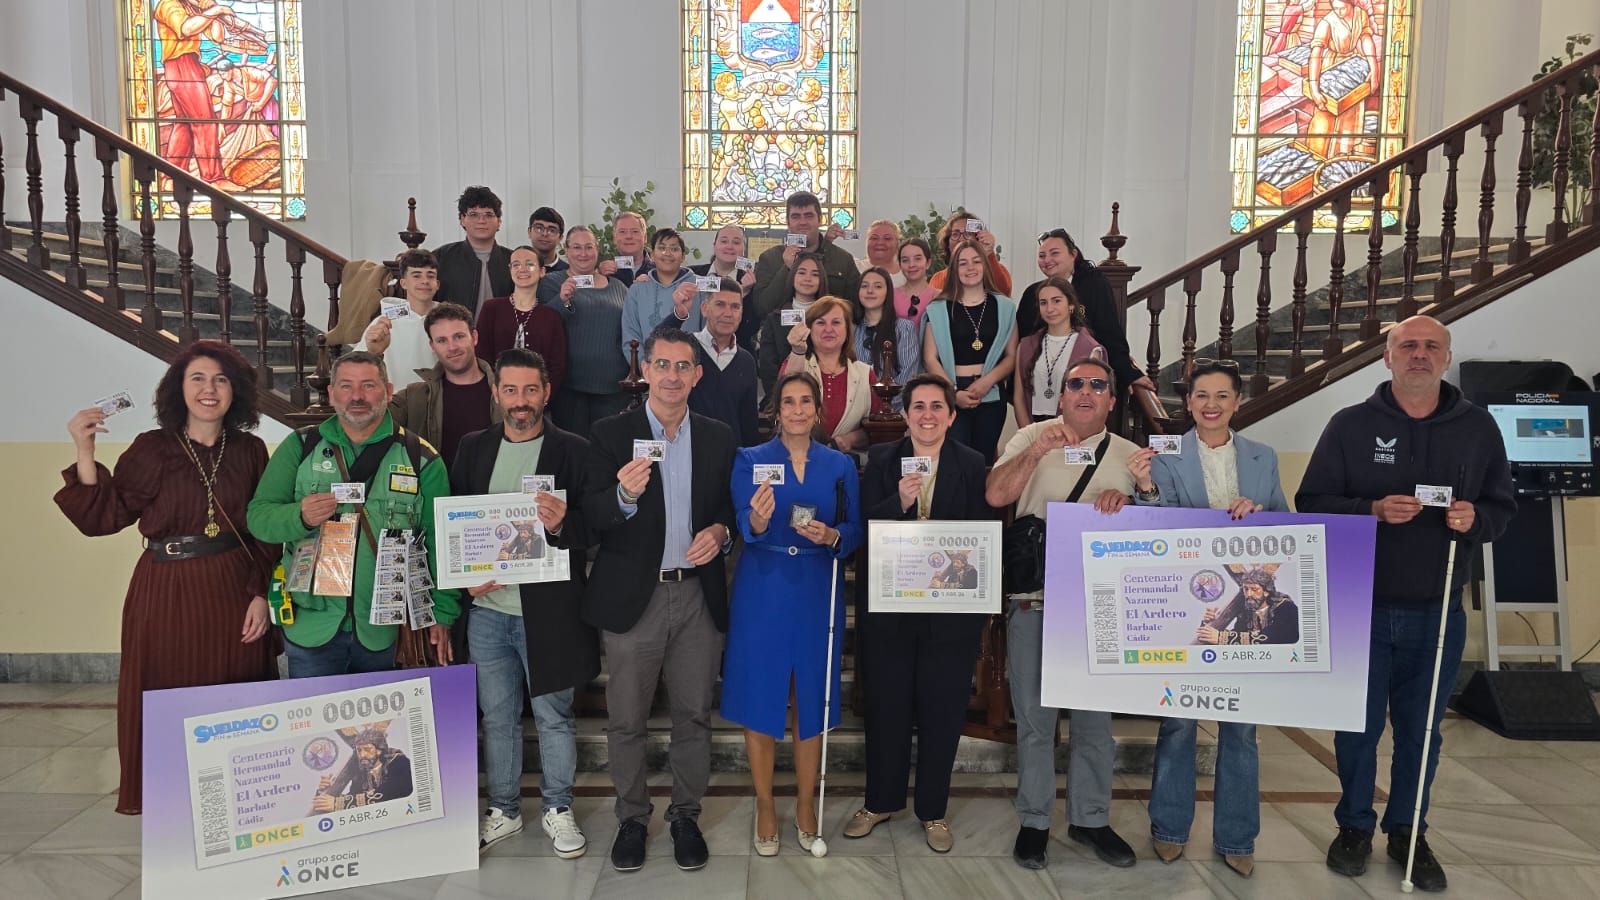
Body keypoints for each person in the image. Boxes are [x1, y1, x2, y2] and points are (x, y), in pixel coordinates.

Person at [1296, 315, 1515, 893]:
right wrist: (1369, 510)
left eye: (1430, 347)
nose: (1419, 355)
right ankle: (1354, 827)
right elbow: (1312, 500)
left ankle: (1409, 832)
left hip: (1437, 608)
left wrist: (1476, 520)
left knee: (1422, 732)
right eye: (1407, 346)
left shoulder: (1479, 429)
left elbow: (1502, 507)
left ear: (1446, 358)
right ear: (1387, 358)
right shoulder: (1350, 425)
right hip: (1361, 607)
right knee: (1357, 728)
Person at [56, 341, 279, 815]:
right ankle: (169, 802)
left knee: (233, 693)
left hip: (233, 588)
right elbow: (103, 517)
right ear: (179, 389)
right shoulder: (152, 448)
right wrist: (84, 448)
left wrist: (262, 593)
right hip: (163, 589)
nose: (209, 389)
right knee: (164, 691)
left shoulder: (251, 450)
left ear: (234, 390)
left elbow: (265, 530)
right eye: (197, 378)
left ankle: (242, 802)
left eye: (220, 379)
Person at [1125, 358, 1290, 880]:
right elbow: (1157, 518)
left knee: (1241, 728)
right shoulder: (1169, 456)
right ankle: (1168, 829)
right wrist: (1146, 488)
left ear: (1237, 403)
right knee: (1178, 723)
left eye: (1222, 396)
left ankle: (1238, 837)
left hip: (1249, 613)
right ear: (1188, 403)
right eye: (1201, 396)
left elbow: (1290, 522)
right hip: (1189, 609)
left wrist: (1263, 516)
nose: (1211, 405)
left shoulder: (1263, 457)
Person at [581, 329, 737, 873]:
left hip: (697, 594)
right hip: (634, 597)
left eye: (683, 366)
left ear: (697, 375)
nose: (672, 376)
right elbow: (589, 517)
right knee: (626, 718)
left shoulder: (719, 436)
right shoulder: (609, 434)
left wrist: (720, 532)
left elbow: (730, 509)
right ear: (645, 369)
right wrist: (623, 496)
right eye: (662, 364)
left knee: (694, 714)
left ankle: (685, 814)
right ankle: (631, 817)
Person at [985, 357, 1139, 871]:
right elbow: (996, 494)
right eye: (1077, 384)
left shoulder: (1132, 455)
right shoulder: (1029, 436)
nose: (1087, 392)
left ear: (1112, 400)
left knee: (1094, 722)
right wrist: (1036, 451)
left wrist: (1135, 502)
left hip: (1102, 608)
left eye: (1099, 385)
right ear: (1061, 394)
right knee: (1034, 718)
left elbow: (1160, 531)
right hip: (1036, 600)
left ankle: (1091, 818)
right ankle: (1034, 821)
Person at [451, 349, 598, 859]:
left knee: (553, 716)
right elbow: (456, 524)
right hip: (488, 612)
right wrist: (462, 579)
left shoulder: (574, 450)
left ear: (546, 392)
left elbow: (594, 530)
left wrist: (560, 524)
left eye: (530, 390)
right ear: (496, 394)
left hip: (550, 610)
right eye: (510, 391)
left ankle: (559, 808)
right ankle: (506, 810)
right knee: (497, 716)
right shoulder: (472, 448)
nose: (520, 402)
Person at [846, 374, 991, 851]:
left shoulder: (971, 464)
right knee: (886, 706)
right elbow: (863, 527)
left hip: (951, 613)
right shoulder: (882, 461)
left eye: (937, 406)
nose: (927, 415)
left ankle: (933, 811)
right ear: (905, 415)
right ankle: (880, 801)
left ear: (951, 415)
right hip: (889, 611)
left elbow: (983, 536)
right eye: (918, 407)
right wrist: (900, 503)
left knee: (942, 710)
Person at [248, 351, 459, 676]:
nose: (357, 396)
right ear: (331, 394)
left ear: (388, 392)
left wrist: (443, 614)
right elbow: (259, 518)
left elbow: (442, 545)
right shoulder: (300, 447)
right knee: (314, 726)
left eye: (368, 386)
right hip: (311, 627)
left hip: (385, 631)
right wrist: (299, 517)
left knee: (385, 728)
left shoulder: (421, 458)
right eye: (346, 386)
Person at [724, 372, 864, 856]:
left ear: (817, 409)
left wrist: (834, 537)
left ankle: (806, 804)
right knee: (762, 695)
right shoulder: (751, 459)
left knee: (813, 698)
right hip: (763, 586)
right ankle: (765, 804)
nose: (799, 409)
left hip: (816, 585)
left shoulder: (840, 465)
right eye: (789, 401)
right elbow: (744, 520)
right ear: (776, 410)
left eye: (807, 401)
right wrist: (757, 521)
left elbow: (853, 528)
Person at [1017, 229, 1154, 403]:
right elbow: (1022, 340)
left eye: (1054, 253)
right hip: (1041, 381)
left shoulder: (1094, 284)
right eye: (1042, 256)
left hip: (1083, 381)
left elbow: (1109, 330)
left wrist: (1128, 372)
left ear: (1073, 254)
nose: (1047, 260)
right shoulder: (1032, 293)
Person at [922, 240, 1019, 460]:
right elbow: (930, 359)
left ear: (985, 265)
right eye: (963, 263)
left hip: (991, 392)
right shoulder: (938, 308)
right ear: (954, 270)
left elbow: (1012, 355)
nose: (970, 268)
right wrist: (953, 393)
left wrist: (987, 382)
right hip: (951, 390)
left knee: (983, 460)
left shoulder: (1004, 307)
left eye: (976, 261)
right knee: (954, 458)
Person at [541, 227, 631, 439]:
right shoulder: (552, 282)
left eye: (589, 247)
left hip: (613, 387)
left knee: (608, 448)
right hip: (570, 387)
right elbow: (544, 324)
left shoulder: (618, 286)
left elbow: (630, 329)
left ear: (597, 249)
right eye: (577, 247)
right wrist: (562, 300)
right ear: (566, 250)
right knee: (573, 450)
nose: (583, 253)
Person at [388, 303, 502, 468]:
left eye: (459, 336)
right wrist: (374, 353)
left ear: (474, 337)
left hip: (496, 491)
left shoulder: (508, 391)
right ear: (432, 346)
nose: (452, 347)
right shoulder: (414, 396)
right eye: (442, 340)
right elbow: (368, 418)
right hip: (436, 489)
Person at [749, 191, 860, 348]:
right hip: (781, 345)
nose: (802, 222)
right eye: (796, 216)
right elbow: (762, 308)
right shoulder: (770, 258)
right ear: (787, 222)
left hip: (831, 345)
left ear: (820, 219)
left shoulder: (842, 259)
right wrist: (787, 268)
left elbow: (856, 308)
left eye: (808, 215)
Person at [660, 277, 760, 446]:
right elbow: (656, 345)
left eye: (735, 307)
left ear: (741, 313)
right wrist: (679, 315)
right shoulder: (686, 348)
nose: (728, 313)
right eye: (720, 304)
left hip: (730, 457)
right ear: (705, 309)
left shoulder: (746, 361)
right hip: (686, 452)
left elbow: (748, 422)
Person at [778, 295, 876, 452]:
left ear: (847, 329)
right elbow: (782, 405)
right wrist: (797, 351)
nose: (828, 329)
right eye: (820, 323)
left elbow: (877, 428)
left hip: (848, 464)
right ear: (809, 329)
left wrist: (851, 439)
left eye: (836, 322)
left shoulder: (865, 374)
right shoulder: (796, 362)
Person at [1013, 275, 1106, 426]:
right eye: (1044, 303)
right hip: (1033, 427)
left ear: (1071, 305)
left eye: (1056, 301)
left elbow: (1092, 401)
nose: (1050, 309)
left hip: (1073, 430)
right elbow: (1019, 397)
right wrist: (1028, 434)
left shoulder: (1089, 348)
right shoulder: (1026, 345)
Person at [475, 245, 569, 390]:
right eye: (516, 265)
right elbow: (481, 356)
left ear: (542, 271)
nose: (522, 269)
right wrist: (498, 392)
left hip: (538, 402)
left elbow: (557, 366)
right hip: (495, 398)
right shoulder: (491, 308)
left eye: (530, 264)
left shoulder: (551, 317)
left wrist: (542, 397)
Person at [353, 249, 440, 391]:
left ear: (437, 284)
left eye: (430, 276)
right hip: (396, 401)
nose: (425, 281)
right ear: (404, 283)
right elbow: (357, 365)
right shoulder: (385, 322)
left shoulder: (447, 318)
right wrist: (372, 351)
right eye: (416, 276)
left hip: (438, 401)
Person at [756, 252, 829, 399]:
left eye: (815, 274)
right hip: (784, 397)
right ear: (792, 277)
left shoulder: (831, 317)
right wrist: (780, 399)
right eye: (801, 272)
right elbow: (768, 367)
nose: (807, 279)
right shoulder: (775, 319)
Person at [622, 228, 701, 362]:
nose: (668, 253)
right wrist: (646, 370)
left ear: (683, 256)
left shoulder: (698, 288)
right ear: (652, 255)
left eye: (674, 249)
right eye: (662, 248)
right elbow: (631, 336)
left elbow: (708, 334)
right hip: (650, 372)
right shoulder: (637, 290)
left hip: (690, 371)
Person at [433, 185, 513, 315]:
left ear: (499, 221)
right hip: (453, 333)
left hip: (503, 334)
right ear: (462, 219)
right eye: (473, 214)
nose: (481, 221)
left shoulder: (513, 260)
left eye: (488, 214)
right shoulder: (441, 257)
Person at [853, 266, 921, 400]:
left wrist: (884, 404)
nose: (870, 291)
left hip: (890, 411)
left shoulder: (904, 329)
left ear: (888, 292)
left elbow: (907, 376)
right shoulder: (850, 328)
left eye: (878, 286)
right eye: (864, 286)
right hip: (853, 407)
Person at [310, 726, 413, 812]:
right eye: (359, 750)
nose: (362, 754)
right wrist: (324, 792)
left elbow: (388, 793)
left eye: (367, 749)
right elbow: (353, 796)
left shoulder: (399, 763)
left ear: (379, 750)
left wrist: (337, 804)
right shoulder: (362, 772)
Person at [929, 212, 1012, 296]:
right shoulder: (938, 279)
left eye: (968, 234)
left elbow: (1003, 292)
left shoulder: (998, 270)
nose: (961, 239)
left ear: (978, 239)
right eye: (955, 234)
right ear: (947, 243)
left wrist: (989, 254)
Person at [690, 223, 758, 299]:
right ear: (714, 246)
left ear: (744, 250)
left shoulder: (753, 283)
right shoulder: (691, 274)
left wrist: (744, 293)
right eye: (724, 241)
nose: (729, 247)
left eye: (736, 242)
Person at [600, 211, 653, 286]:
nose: (629, 236)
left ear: (645, 237)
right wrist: (598, 276)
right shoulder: (605, 273)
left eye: (635, 231)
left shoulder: (659, 272)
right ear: (615, 238)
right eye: (622, 232)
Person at [895, 237, 939, 327]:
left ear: (928, 263)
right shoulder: (890, 296)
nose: (911, 265)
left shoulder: (939, 297)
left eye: (917, 259)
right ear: (899, 265)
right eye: (905, 260)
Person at [854, 219, 905, 286]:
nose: (880, 243)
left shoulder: (907, 273)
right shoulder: (854, 267)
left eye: (887, 238)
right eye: (874, 238)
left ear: (897, 243)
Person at [527, 206, 569, 274]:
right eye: (539, 228)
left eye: (552, 230)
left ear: (560, 237)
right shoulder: (516, 270)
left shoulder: (569, 273)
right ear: (529, 232)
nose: (545, 234)